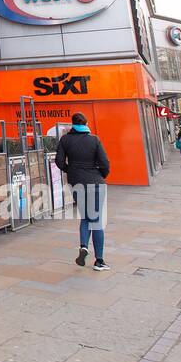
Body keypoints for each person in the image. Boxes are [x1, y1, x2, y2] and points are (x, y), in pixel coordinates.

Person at [55, 112, 111, 271]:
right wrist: (102, 175)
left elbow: (59, 161)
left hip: (76, 182)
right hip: (95, 182)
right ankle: (99, 261)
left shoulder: (65, 139)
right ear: (85, 123)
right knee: (96, 220)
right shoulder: (94, 139)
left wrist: (71, 170)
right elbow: (105, 162)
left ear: (72, 124)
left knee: (85, 217)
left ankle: (83, 246)